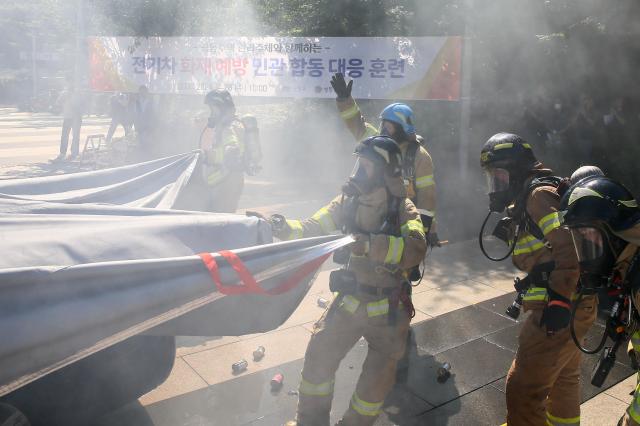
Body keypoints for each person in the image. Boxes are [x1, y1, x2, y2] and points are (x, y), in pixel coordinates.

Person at [273, 136, 426, 426]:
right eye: (358, 164)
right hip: (351, 299)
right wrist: (281, 227)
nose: (357, 173)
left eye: (366, 167)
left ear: (384, 171)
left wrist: (369, 245)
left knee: (374, 383)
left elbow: (416, 249)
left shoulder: (403, 209)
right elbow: (313, 227)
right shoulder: (347, 201)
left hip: (388, 309)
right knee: (318, 360)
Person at [479, 132, 597, 425]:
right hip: (576, 302)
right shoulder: (532, 195)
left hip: (559, 306)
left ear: (517, 169)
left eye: (500, 177)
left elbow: (568, 247)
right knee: (564, 380)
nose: (495, 185)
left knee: (522, 390)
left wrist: (558, 301)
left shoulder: (537, 196)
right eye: (492, 179)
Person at [558, 175, 640, 426]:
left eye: (588, 236)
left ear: (615, 233)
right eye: (579, 238)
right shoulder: (632, 264)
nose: (586, 248)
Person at [330, 73, 438, 244]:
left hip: (403, 218)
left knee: (405, 266)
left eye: (388, 127)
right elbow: (356, 123)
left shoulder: (419, 156)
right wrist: (345, 100)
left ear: (403, 129)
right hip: (371, 211)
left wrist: (424, 230)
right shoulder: (375, 142)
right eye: (383, 125)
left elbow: (427, 196)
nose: (383, 131)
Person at [199, 89, 261, 213]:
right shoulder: (227, 125)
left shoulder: (229, 127)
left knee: (221, 220)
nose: (211, 113)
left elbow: (233, 150)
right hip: (226, 179)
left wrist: (210, 156)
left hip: (228, 181)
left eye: (213, 109)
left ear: (222, 108)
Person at [54, 86, 84, 161]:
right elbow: (58, 102)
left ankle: (67, 153)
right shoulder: (68, 93)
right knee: (72, 136)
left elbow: (58, 103)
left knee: (67, 136)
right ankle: (72, 153)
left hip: (71, 117)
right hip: (73, 117)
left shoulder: (67, 93)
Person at [133, 85, 156, 158]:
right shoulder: (137, 102)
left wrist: (151, 125)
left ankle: (147, 155)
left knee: (146, 140)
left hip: (147, 125)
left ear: (146, 92)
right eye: (141, 91)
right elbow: (135, 114)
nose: (142, 93)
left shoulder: (150, 102)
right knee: (140, 141)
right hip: (139, 125)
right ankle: (142, 156)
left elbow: (153, 114)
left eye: (144, 91)